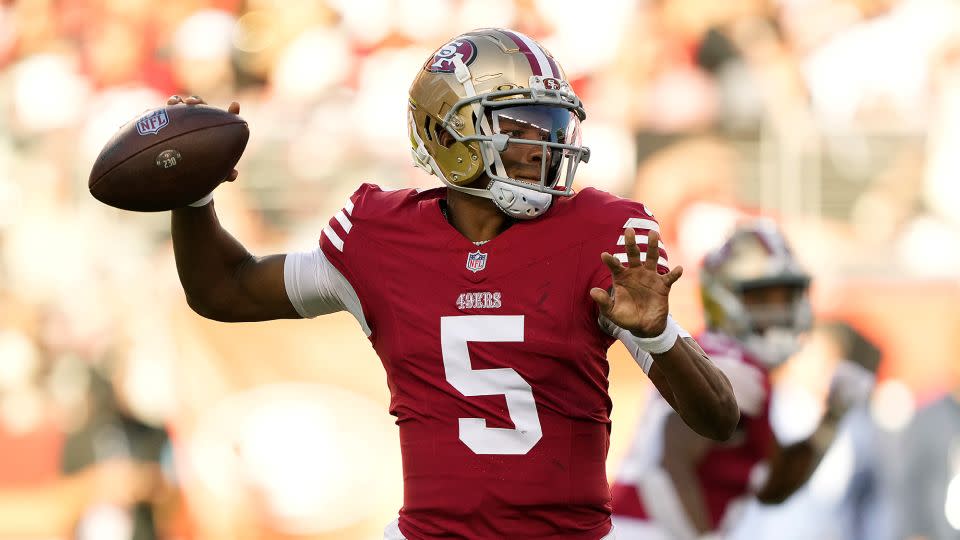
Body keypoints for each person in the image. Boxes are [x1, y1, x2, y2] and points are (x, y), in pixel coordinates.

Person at [164, 28, 738, 540]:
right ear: (447, 133)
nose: (544, 148)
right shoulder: (379, 237)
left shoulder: (599, 237)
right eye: (519, 129)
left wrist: (659, 337)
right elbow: (224, 289)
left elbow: (718, 417)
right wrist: (193, 194)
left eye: (552, 128)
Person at [610, 220, 874, 540]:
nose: (779, 311)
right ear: (725, 297)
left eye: (784, 297)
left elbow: (773, 486)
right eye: (763, 297)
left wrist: (831, 418)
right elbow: (665, 464)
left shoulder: (740, 365)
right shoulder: (733, 364)